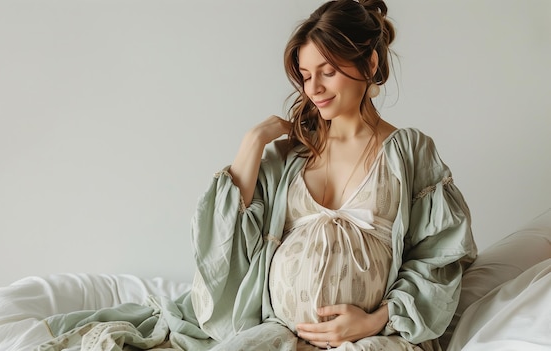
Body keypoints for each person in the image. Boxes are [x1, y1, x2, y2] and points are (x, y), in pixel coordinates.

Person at [37, 1, 476, 350]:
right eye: (305, 76)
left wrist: (373, 321)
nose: (314, 89)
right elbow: (222, 243)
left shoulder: (410, 151)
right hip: (280, 332)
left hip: (370, 337)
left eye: (328, 71)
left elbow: (439, 258)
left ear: (370, 63)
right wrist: (252, 142)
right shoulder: (291, 156)